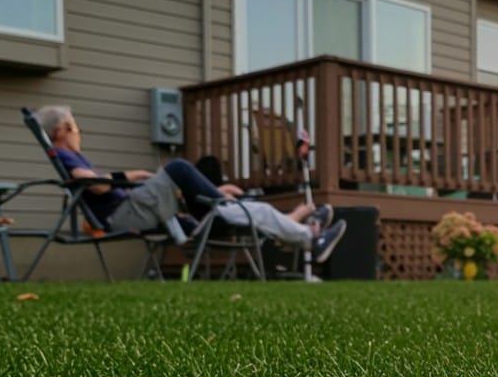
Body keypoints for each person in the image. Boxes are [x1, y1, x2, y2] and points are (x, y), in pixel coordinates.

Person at [35, 105, 346, 262]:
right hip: (122, 213)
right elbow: (97, 186)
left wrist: (212, 191)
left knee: (244, 209)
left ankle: (304, 231)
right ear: (62, 130)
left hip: (138, 206)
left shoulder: (72, 155)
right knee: (182, 168)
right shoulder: (67, 158)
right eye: (75, 127)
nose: (79, 133)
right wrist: (132, 176)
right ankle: (308, 235)